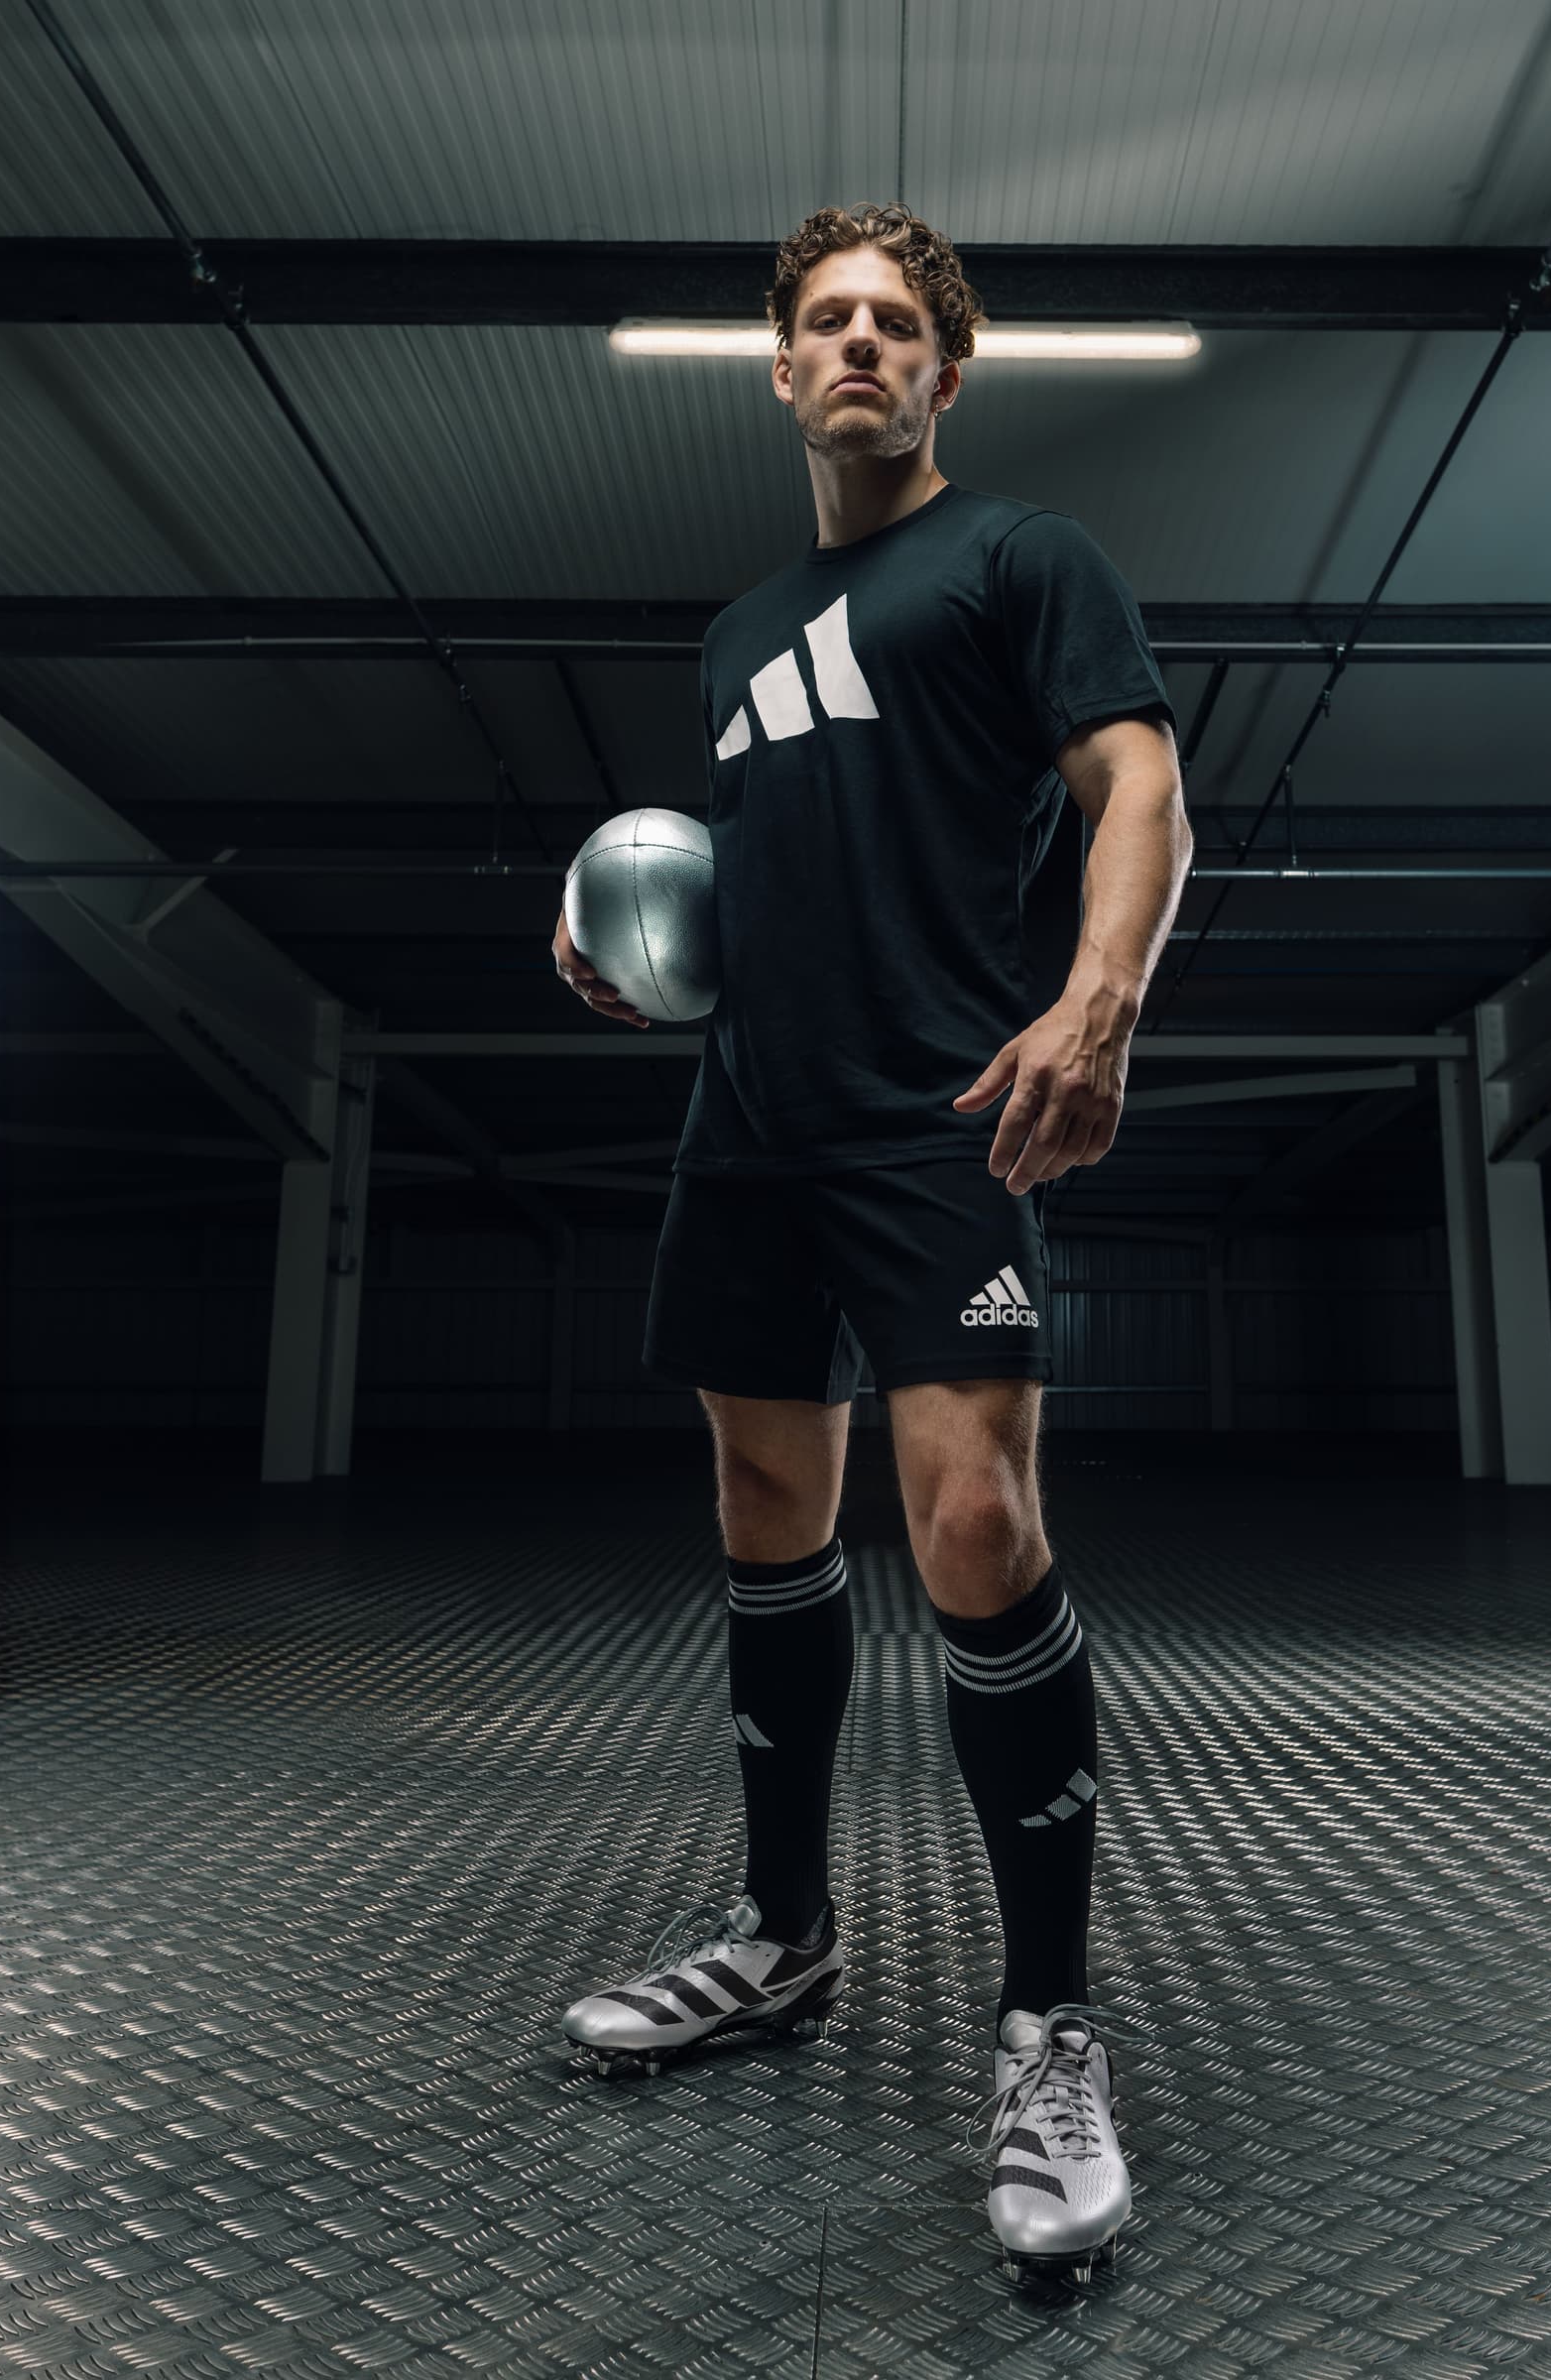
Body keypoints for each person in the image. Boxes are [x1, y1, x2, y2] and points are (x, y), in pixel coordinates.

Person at [549, 200, 1190, 2283]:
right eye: (822, 321)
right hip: (753, 1119)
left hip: (937, 1109)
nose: (855, 347)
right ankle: (785, 1938)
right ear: (778, 368)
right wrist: (620, 936)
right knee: (761, 1508)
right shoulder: (739, 635)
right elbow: (755, 869)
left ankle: (1047, 2029)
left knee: (975, 1528)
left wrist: (1100, 999)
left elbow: (1136, 780)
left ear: (943, 374)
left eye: (894, 326)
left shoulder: (1017, 560)